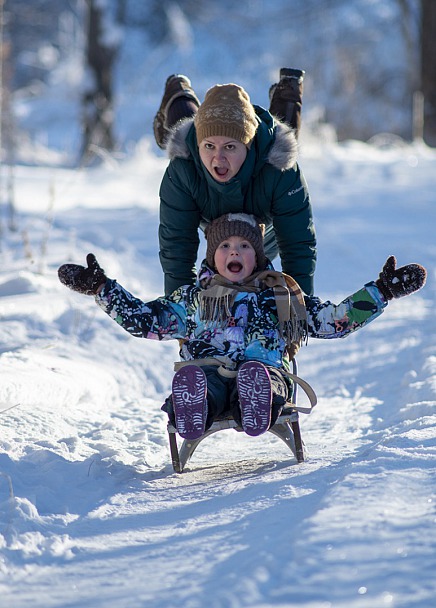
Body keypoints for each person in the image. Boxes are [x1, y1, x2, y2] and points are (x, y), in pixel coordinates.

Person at [58, 213, 427, 441]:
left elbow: (334, 321)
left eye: (244, 246)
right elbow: (145, 321)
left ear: (258, 256)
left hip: (266, 373)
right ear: (212, 256)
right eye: (226, 246)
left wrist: (381, 292)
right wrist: (102, 289)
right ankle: (195, 405)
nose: (234, 252)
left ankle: (257, 402)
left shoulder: (280, 296)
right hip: (208, 374)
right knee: (204, 385)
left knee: (261, 377)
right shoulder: (193, 299)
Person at [153, 70, 316, 297]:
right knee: (180, 127)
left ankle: (286, 98)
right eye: (209, 146)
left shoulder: (281, 171)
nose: (218, 158)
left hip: (261, 229)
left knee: (282, 145)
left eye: (230, 147)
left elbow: (297, 244)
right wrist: (180, 311)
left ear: (248, 148)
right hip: (210, 213)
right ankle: (178, 92)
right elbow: (176, 247)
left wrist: (301, 305)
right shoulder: (183, 168)